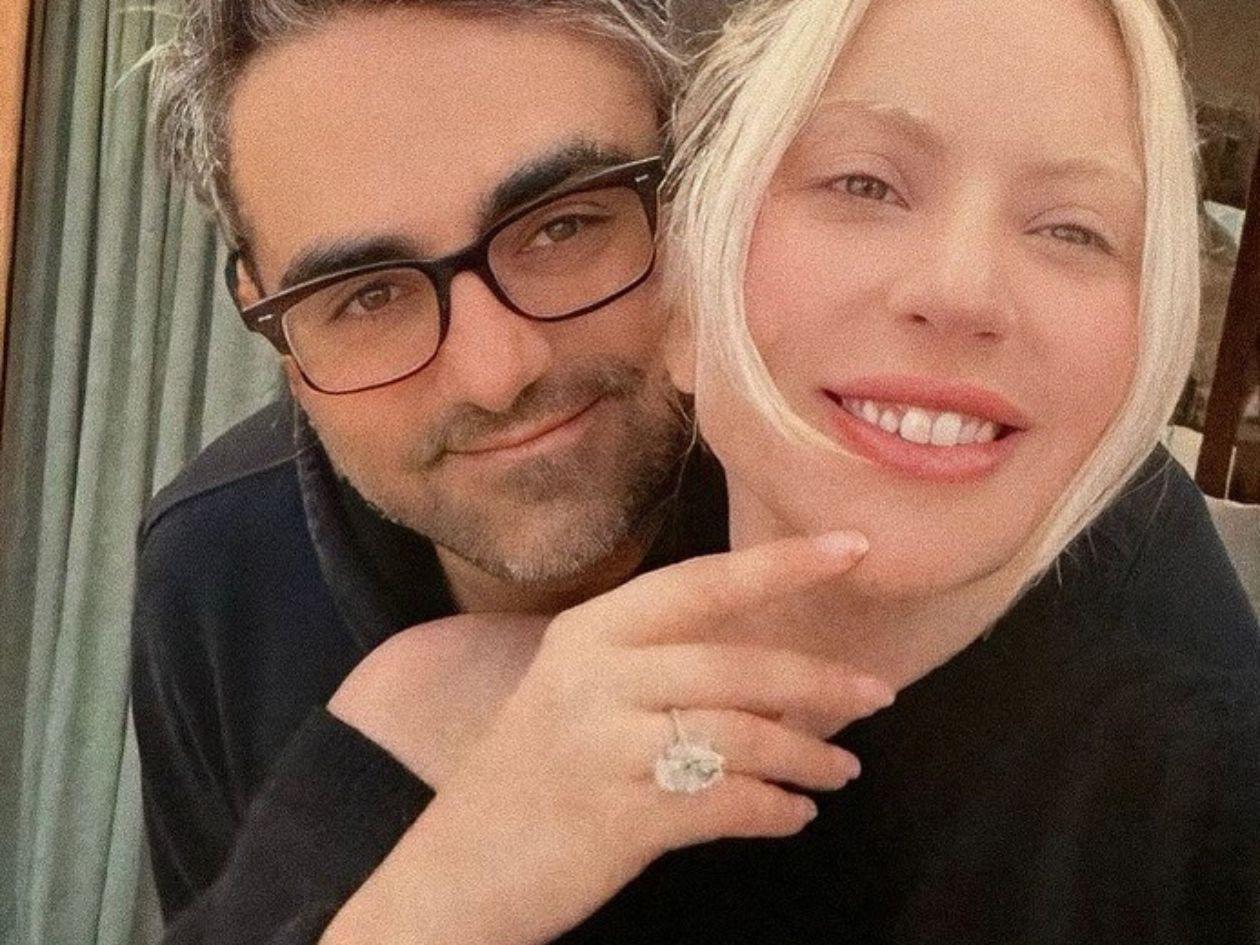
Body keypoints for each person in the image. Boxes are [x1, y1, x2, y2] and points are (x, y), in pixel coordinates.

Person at [306, 0, 1260, 941]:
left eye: (1073, 230)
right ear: (682, 303)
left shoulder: (1204, 806)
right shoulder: (416, 730)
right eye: (864, 184)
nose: (962, 290)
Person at [130, 0, 752, 938]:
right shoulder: (218, 571)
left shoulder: (875, 506)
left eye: (563, 227)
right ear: (275, 332)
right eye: (369, 294)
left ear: (700, 190)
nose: (497, 373)